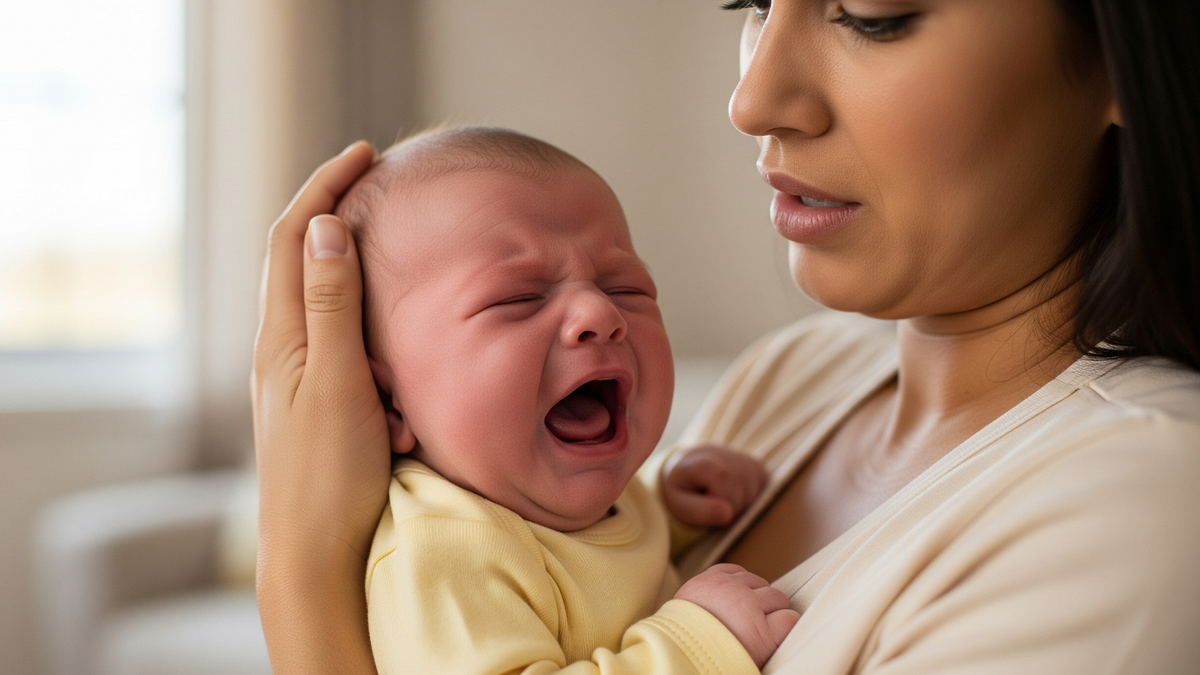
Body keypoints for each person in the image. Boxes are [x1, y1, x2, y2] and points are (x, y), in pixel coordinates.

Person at [251, 1, 1200, 673]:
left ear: (1123, 55)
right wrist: (668, 506)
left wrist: (300, 576)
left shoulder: (1142, 500)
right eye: (750, 3)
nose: (753, 99)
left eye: (871, 14)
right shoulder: (790, 377)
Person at [332, 126, 796, 674]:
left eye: (626, 288)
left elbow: (593, 565)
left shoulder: (546, 497)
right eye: (519, 298)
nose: (602, 315)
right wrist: (695, 646)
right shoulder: (443, 554)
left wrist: (669, 510)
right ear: (391, 405)